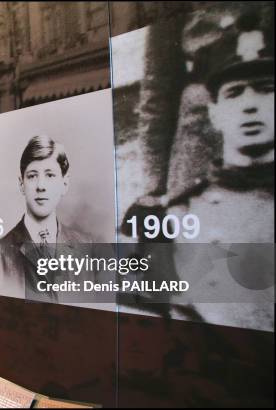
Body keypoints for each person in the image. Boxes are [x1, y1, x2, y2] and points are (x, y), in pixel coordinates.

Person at [166, 9, 274, 331]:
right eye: (234, 92)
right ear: (214, 112)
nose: (249, 104)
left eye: (267, 88)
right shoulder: (188, 212)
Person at [0, 135, 91, 301]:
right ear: (21, 184)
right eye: (32, 176)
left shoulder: (85, 246)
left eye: (50, 175)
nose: (41, 186)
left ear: (64, 184)